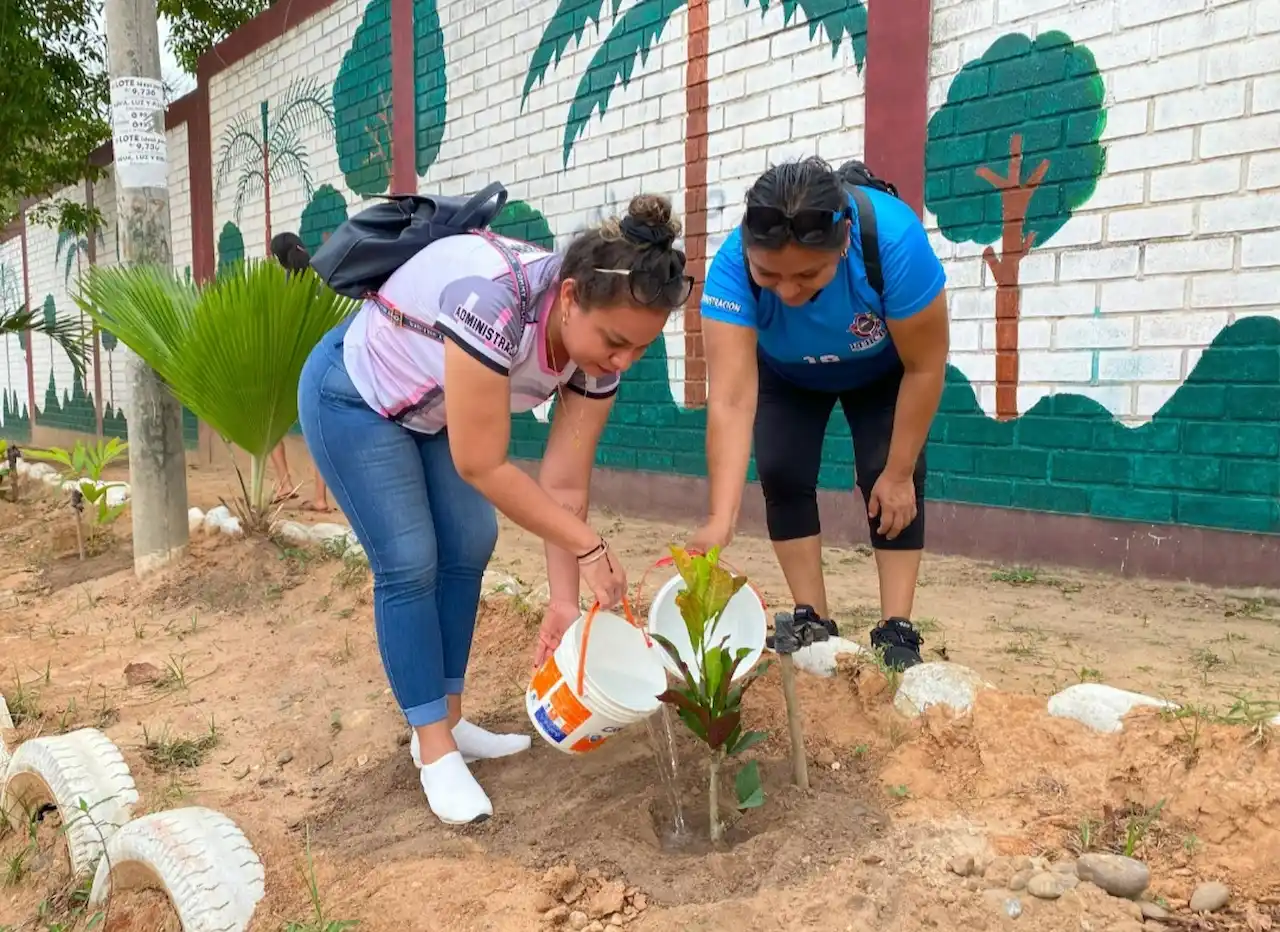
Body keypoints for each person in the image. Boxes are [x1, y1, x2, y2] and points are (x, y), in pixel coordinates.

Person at [297, 195, 692, 825]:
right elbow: (481, 463)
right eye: (616, 342)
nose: (623, 361)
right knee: (409, 558)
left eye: (639, 349)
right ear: (569, 297)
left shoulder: (596, 363)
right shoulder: (493, 303)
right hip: (355, 396)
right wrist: (588, 547)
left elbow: (565, 486)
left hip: (431, 412)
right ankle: (433, 750)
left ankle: (450, 721)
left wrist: (564, 601)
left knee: (470, 538)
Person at [689, 156, 950, 670]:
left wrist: (899, 472)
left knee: (887, 473)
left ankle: (897, 627)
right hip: (788, 372)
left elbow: (926, 365)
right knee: (781, 470)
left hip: (880, 369)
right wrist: (720, 519)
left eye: (809, 275)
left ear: (844, 240)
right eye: (769, 274)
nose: (788, 292)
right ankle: (813, 621)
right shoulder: (730, 266)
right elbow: (731, 399)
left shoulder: (894, 241)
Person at [269, 232, 332, 512]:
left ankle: (284, 484)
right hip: (319, 362)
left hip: (289, 363)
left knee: (270, 425)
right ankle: (320, 498)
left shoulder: (283, 289)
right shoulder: (319, 280)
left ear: (279, 260)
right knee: (317, 432)